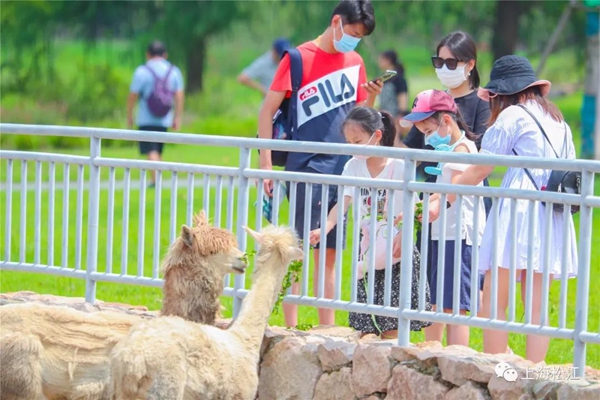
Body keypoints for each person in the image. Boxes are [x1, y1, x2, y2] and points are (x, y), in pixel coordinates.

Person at [427, 55, 578, 362]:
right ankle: (535, 374)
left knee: (495, 298)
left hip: (518, 209)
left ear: (499, 93)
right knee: (536, 305)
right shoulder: (559, 120)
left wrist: (441, 194)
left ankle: (495, 370)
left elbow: (480, 169)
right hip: (552, 212)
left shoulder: (512, 117)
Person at [258, 0, 382, 328]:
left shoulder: (355, 61)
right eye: (352, 33)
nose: (353, 41)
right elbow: (266, 112)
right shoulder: (297, 58)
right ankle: (290, 326)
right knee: (298, 247)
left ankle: (327, 328)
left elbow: (358, 119)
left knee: (330, 253)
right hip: (306, 165)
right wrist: (266, 163)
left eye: (359, 37)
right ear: (336, 22)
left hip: (343, 167)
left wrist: (371, 98)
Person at [309, 107, 432, 338]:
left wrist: (402, 235)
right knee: (364, 322)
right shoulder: (352, 166)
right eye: (348, 142)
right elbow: (342, 204)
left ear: (376, 136)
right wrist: (325, 226)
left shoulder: (399, 165)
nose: (353, 147)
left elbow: (413, 207)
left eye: (358, 140)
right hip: (366, 249)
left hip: (396, 246)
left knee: (393, 319)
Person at [401, 31, 490, 301]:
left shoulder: (482, 104)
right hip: (434, 201)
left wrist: (444, 197)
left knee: (459, 290)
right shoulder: (431, 104)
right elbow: (408, 150)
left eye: (451, 63)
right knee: (432, 288)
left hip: (464, 203)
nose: (444, 69)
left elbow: (481, 161)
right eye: (438, 62)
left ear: (470, 65)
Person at [398, 89, 485, 346]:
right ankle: (431, 353)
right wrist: (418, 207)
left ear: (446, 120)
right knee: (435, 300)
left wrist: (432, 206)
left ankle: (457, 360)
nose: (427, 139)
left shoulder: (463, 149)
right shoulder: (449, 149)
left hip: (459, 235)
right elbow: (441, 191)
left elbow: (455, 188)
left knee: (454, 305)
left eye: (428, 131)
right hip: (442, 233)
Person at [127, 40, 184, 187]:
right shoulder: (174, 71)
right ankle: (157, 177)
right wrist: (177, 117)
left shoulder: (142, 71)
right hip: (165, 117)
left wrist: (129, 116)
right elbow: (178, 95)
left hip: (146, 118)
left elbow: (133, 95)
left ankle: (155, 181)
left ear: (147, 54)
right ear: (165, 54)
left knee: (151, 150)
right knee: (158, 149)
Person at [377, 50, 409, 138]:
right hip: (384, 119)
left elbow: (403, 99)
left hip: (395, 119)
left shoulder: (398, 79)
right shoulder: (383, 78)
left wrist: (400, 115)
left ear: (388, 60)